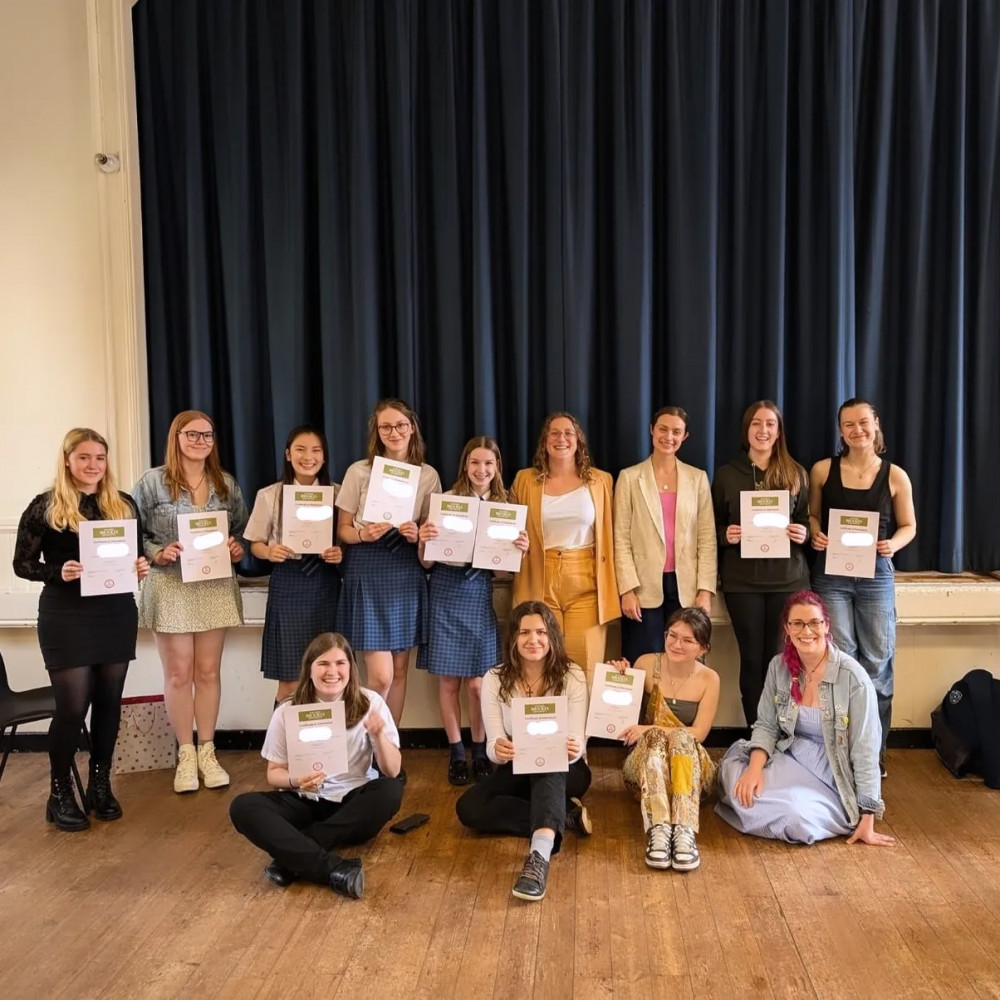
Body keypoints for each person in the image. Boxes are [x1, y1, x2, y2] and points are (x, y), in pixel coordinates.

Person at [13, 428, 150, 830]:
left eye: (100, 458)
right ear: (68, 460)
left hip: (115, 613)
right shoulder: (45, 506)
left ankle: (100, 785)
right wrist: (59, 571)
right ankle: (59, 793)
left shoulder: (122, 504)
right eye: (85, 457)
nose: (93, 465)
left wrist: (140, 567)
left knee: (109, 702)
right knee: (72, 708)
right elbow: (22, 564)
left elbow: (134, 557)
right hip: (66, 615)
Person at [229, 633, 403, 898]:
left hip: (352, 803)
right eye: (323, 664)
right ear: (309, 668)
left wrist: (379, 735)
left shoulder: (371, 702)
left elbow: (393, 771)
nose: (332, 672)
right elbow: (274, 774)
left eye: (340, 663)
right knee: (243, 807)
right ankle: (333, 868)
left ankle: (294, 856)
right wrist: (295, 781)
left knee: (390, 791)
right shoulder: (287, 709)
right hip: (305, 799)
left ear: (351, 668)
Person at [715, 591, 893, 847]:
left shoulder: (854, 678)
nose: (806, 631)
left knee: (796, 819)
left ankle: (799, 814)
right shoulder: (779, 667)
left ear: (826, 625)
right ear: (787, 628)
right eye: (797, 623)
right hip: (791, 755)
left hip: (831, 773)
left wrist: (868, 817)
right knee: (736, 780)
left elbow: (865, 751)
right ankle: (767, 805)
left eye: (814, 623)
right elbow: (766, 725)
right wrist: (754, 770)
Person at [132, 410, 247, 794]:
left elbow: (243, 530)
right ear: (175, 435)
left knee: (209, 671)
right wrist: (156, 551)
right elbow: (134, 533)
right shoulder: (151, 483)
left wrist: (236, 548)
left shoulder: (225, 483)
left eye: (208, 435)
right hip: (170, 585)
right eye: (192, 434)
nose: (200, 441)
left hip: (213, 585)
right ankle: (185, 754)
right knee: (179, 672)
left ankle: (207, 751)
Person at [455, 601, 591, 902]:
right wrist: (499, 751)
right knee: (469, 808)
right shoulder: (495, 677)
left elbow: (578, 744)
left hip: (566, 768)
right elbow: (493, 745)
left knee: (549, 766)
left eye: (541, 632)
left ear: (552, 636)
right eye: (525, 632)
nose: (533, 640)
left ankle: (539, 856)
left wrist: (571, 748)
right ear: (513, 638)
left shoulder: (573, 675)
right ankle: (563, 816)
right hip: (518, 764)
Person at [809, 398, 916, 773]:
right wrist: (817, 533)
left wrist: (893, 545)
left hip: (876, 579)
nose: (857, 430)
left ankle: (874, 752)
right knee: (841, 662)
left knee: (877, 664)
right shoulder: (823, 471)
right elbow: (811, 516)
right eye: (848, 424)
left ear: (876, 425)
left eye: (863, 423)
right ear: (840, 430)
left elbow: (909, 527)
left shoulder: (895, 475)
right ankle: (840, 749)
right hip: (831, 578)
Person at [417, 436, 529, 785]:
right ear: (465, 465)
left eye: (489, 464)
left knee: (479, 685)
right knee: (449, 683)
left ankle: (480, 749)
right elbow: (426, 562)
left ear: (497, 469)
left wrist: (517, 551)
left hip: (478, 593)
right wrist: (425, 538)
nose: (481, 470)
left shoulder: (505, 505)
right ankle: (456, 753)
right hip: (445, 592)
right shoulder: (445, 501)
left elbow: (502, 573)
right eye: (475, 462)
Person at [335, 399, 441, 724]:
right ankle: (364, 743)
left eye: (400, 425)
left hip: (405, 570)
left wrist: (418, 533)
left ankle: (388, 748)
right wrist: (363, 535)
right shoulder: (358, 471)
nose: (393, 432)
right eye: (386, 427)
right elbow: (342, 529)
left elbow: (432, 533)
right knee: (380, 676)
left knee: (398, 670)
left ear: (412, 429)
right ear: (377, 432)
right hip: (367, 569)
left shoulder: (428, 475)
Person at [711, 400, 810, 727]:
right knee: (752, 661)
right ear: (746, 430)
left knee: (782, 661)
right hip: (743, 584)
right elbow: (710, 529)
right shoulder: (726, 475)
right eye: (756, 423)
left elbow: (805, 522)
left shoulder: (795, 473)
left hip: (788, 581)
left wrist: (802, 532)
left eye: (770, 424)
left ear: (779, 431)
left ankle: (784, 729)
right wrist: (728, 535)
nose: (763, 430)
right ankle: (758, 732)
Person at [509, 412, 619, 685]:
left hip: (587, 581)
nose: (561, 438)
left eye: (568, 433)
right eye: (554, 433)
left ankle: (579, 730)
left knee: (585, 668)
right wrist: (513, 541)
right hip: (539, 579)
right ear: (544, 441)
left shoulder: (601, 480)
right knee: (540, 663)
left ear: (578, 440)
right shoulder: (524, 480)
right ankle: (545, 725)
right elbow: (506, 527)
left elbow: (615, 533)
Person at [245, 425, 343, 706]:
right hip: (288, 583)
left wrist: (340, 553)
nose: (308, 457)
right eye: (300, 449)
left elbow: (347, 540)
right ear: (288, 454)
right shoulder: (270, 495)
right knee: (290, 677)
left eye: (316, 451)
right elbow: (255, 544)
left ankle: (328, 745)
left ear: (324, 457)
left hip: (326, 584)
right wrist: (269, 552)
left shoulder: (337, 494)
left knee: (329, 671)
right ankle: (283, 747)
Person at [616, 607, 720, 871]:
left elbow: (700, 733)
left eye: (687, 640)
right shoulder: (646, 663)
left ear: (703, 648)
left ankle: (684, 830)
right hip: (646, 774)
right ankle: (659, 829)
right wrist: (618, 677)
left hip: (689, 773)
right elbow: (620, 707)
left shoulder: (709, 679)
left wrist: (654, 728)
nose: (676, 644)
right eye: (672, 636)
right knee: (653, 739)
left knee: (683, 738)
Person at [614, 406, 717, 663]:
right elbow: (620, 539)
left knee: (685, 660)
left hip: (686, 588)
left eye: (676, 431)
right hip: (643, 588)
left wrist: (705, 590)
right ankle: (644, 706)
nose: (668, 436)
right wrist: (627, 589)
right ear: (651, 430)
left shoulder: (697, 479)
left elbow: (706, 539)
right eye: (662, 429)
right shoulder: (629, 478)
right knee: (643, 660)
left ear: (685, 436)